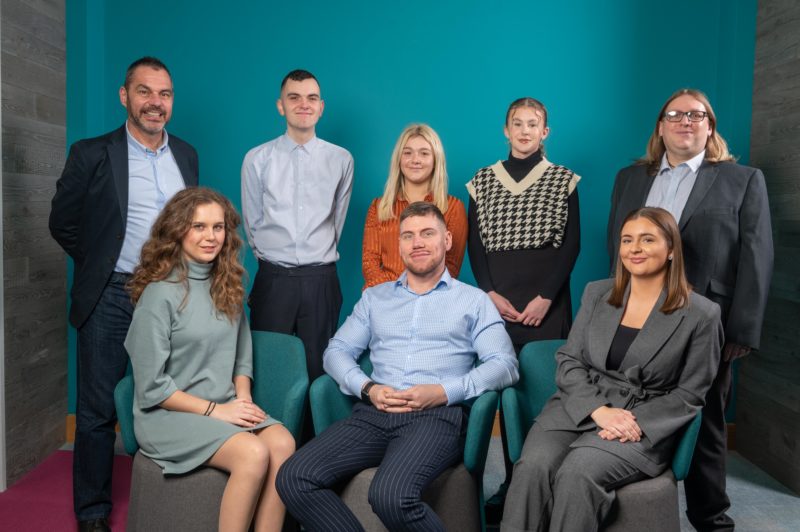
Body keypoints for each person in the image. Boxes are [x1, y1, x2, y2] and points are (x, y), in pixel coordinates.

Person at [276, 202, 519, 532]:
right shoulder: (375, 298)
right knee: (293, 477)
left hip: (436, 418)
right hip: (374, 413)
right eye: (408, 235)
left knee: (390, 495)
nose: (417, 242)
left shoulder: (473, 300)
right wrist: (368, 388)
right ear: (399, 245)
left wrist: (443, 392)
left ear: (447, 240)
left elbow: (505, 365)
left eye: (427, 233)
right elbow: (336, 351)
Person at [607, 89, 773, 531]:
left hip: (707, 321)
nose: (685, 121)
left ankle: (710, 515)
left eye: (696, 115)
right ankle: (628, 503)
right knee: (631, 404)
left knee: (708, 420)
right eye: (675, 115)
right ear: (660, 127)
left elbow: (757, 260)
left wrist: (741, 330)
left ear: (710, 126)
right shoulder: (630, 178)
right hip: (639, 315)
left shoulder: (742, 180)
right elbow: (615, 249)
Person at [502, 207, 722, 532]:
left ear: (672, 249)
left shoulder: (702, 314)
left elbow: (690, 394)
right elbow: (569, 360)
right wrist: (598, 410)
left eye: (648, 239)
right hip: (576, 408)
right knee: (533, 468)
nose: (634, 248)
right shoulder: (597, 293)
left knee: (578, 473)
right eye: (627, 240)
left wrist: (633, 422)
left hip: (640, 423)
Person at [49, 56, 198, 532]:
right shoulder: (92, 153)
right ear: (125, 96)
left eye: (165, 94)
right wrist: (99, 262)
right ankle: (92, 512)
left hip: (173, 294)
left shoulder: (187, 156)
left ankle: (175, 495)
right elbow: (62, 222)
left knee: (169, 396)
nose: (156, 103)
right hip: (112, 292)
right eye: (145, 92)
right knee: (97, 410)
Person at [125, 187, 295, 532]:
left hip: (224, 403)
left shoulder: (227, 284)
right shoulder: (159, 296)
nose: (210, 236)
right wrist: (218, 412)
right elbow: (151, 387)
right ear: (177, 231)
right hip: (166, 415)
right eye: (199, 226)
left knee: (282, 443)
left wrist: (243, 399)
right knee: (252, 453)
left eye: (218, 227)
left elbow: (242, 357)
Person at [466, 97, 580, 516]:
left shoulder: (563, 179)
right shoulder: (483, 179)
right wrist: (488, 295)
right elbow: (474, 245)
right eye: (518, 123)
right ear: (506, 130)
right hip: (498, 303)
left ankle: (534, 485)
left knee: (540, 395)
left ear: (545, 132)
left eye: (534, 124)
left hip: (545, 303)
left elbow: (571, 245)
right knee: (498, 394)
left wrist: (546, 297)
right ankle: (501, 486)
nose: (525, 130)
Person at [241, 69, 354, 403]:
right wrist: (277, 261)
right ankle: (270, 446)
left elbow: (338, 220)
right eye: (294, 97)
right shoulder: (257, 159)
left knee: (319, 369)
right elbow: (252, 224)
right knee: (270, 367)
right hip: (274, 277)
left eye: (311, 98)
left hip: (321, 277)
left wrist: (314, 255)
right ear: (281, 106)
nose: (303, 104)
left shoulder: (341, 159)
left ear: (321, 107)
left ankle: (314, 450)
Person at [362, 123, 467, 288]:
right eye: (407, 153)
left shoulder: (453, 208)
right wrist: (394, 295)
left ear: (435, 160)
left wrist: (417, 295)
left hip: (432, 301)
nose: (415, 160)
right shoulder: (379, 207)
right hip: (384, 299)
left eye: (424, 153)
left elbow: (451, 267)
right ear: (399, 159)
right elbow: (370, 263)